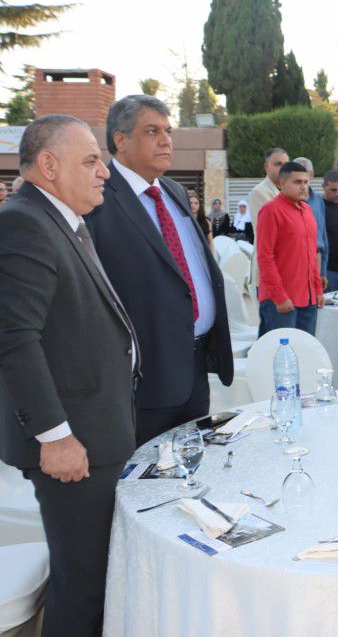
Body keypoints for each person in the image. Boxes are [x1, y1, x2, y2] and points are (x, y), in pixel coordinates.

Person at [0, 115, 138, 637]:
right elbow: (15, 339)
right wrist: (54, 436)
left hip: (95, 433)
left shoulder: (63, 221)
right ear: (50, 166)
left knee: (95, 578)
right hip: (71, 445)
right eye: (92, 160)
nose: (104, 171)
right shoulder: (24, 224)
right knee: (82, 587)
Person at [86, 95, 232, 445]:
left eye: (168, 131)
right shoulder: (97, 198)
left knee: (193, 465)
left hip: (195, 366)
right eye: (152, 131)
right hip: (146, 378)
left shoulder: (173, 191)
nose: (166, 140)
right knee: (147, 473)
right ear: (120, 140)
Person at [256, 161, 325, 336]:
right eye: (297, 182)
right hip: (281, 300)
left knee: (305, 349)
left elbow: (312, 254)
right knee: (280, 351)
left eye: (306, 182)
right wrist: (279, 296)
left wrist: (317, 290)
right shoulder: (271, 210)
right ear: (282, 184)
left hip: (308, 298)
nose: (303, 186)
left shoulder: (307, 210)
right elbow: (265, 257)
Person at [248, 147, 289, 290]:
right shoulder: (259, 192)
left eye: (286, 164)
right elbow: (275, 231)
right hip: (270, 272)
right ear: (266, 167)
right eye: (278, 164)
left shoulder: (288, 191)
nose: (283, 168)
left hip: (288, 269)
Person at [293, 156, 329, 293]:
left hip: (316, 259)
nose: (300, 177)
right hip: (295, 261)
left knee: (315, 302)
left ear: (311, 174)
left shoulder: (319, 200)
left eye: (304, 172)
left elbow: (323, 234)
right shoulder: (287, 202)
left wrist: (323, 270)